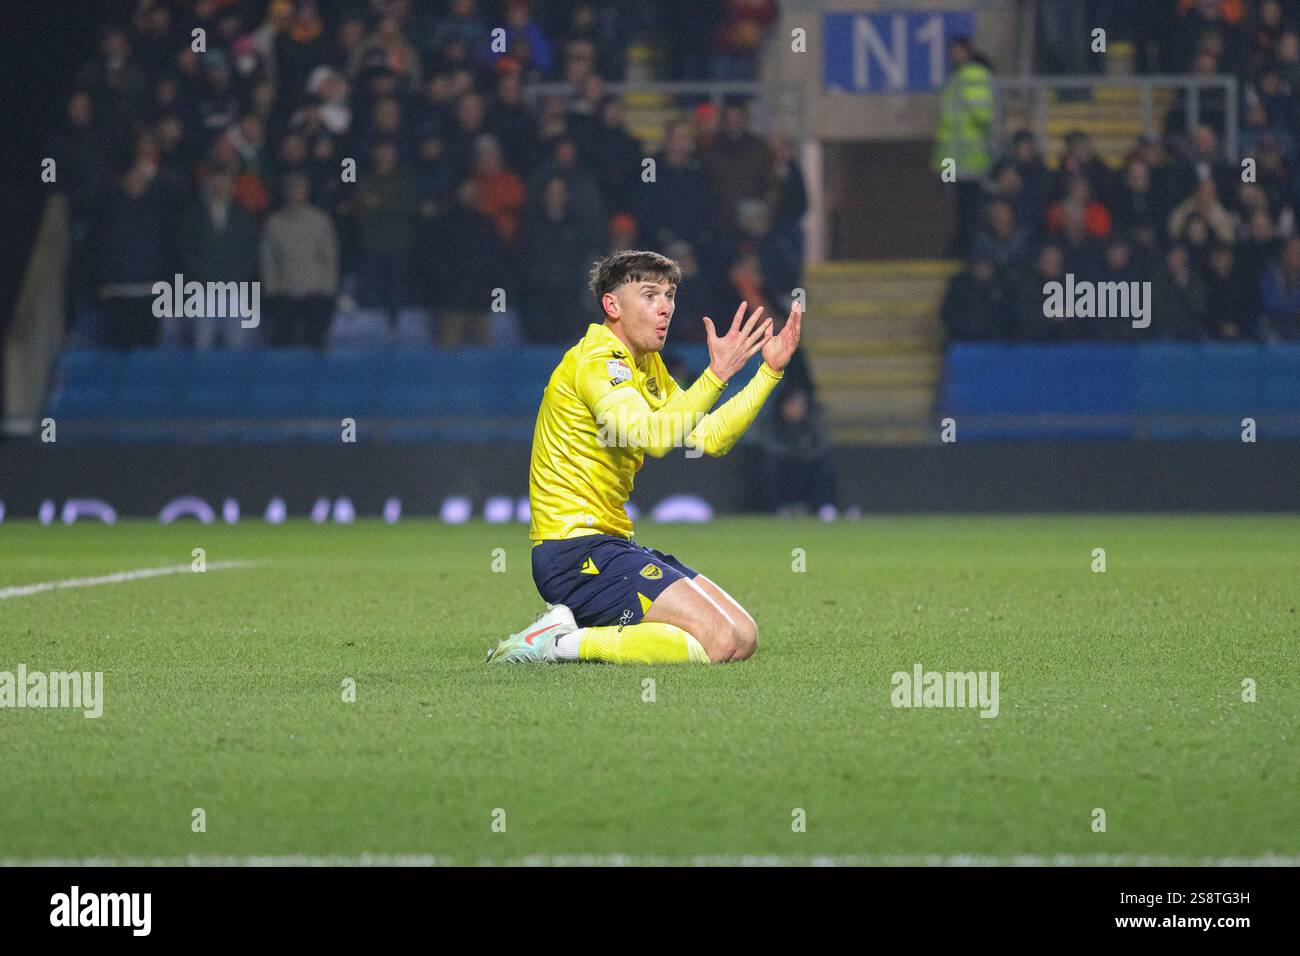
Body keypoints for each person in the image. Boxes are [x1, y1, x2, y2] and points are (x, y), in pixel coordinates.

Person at [487, 250, 803, 665]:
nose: (665, 307)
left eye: (670, 295)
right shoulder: (596, 361)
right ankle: (556, 644)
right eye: (650, 295)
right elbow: (650, 436)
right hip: (572, 554)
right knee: (719, 643)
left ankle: (580, 628)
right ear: (612, 305)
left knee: (743, 636)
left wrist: (768, 373)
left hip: (612, 545)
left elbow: (710, 438)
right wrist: (715, 376)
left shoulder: (648, 364)